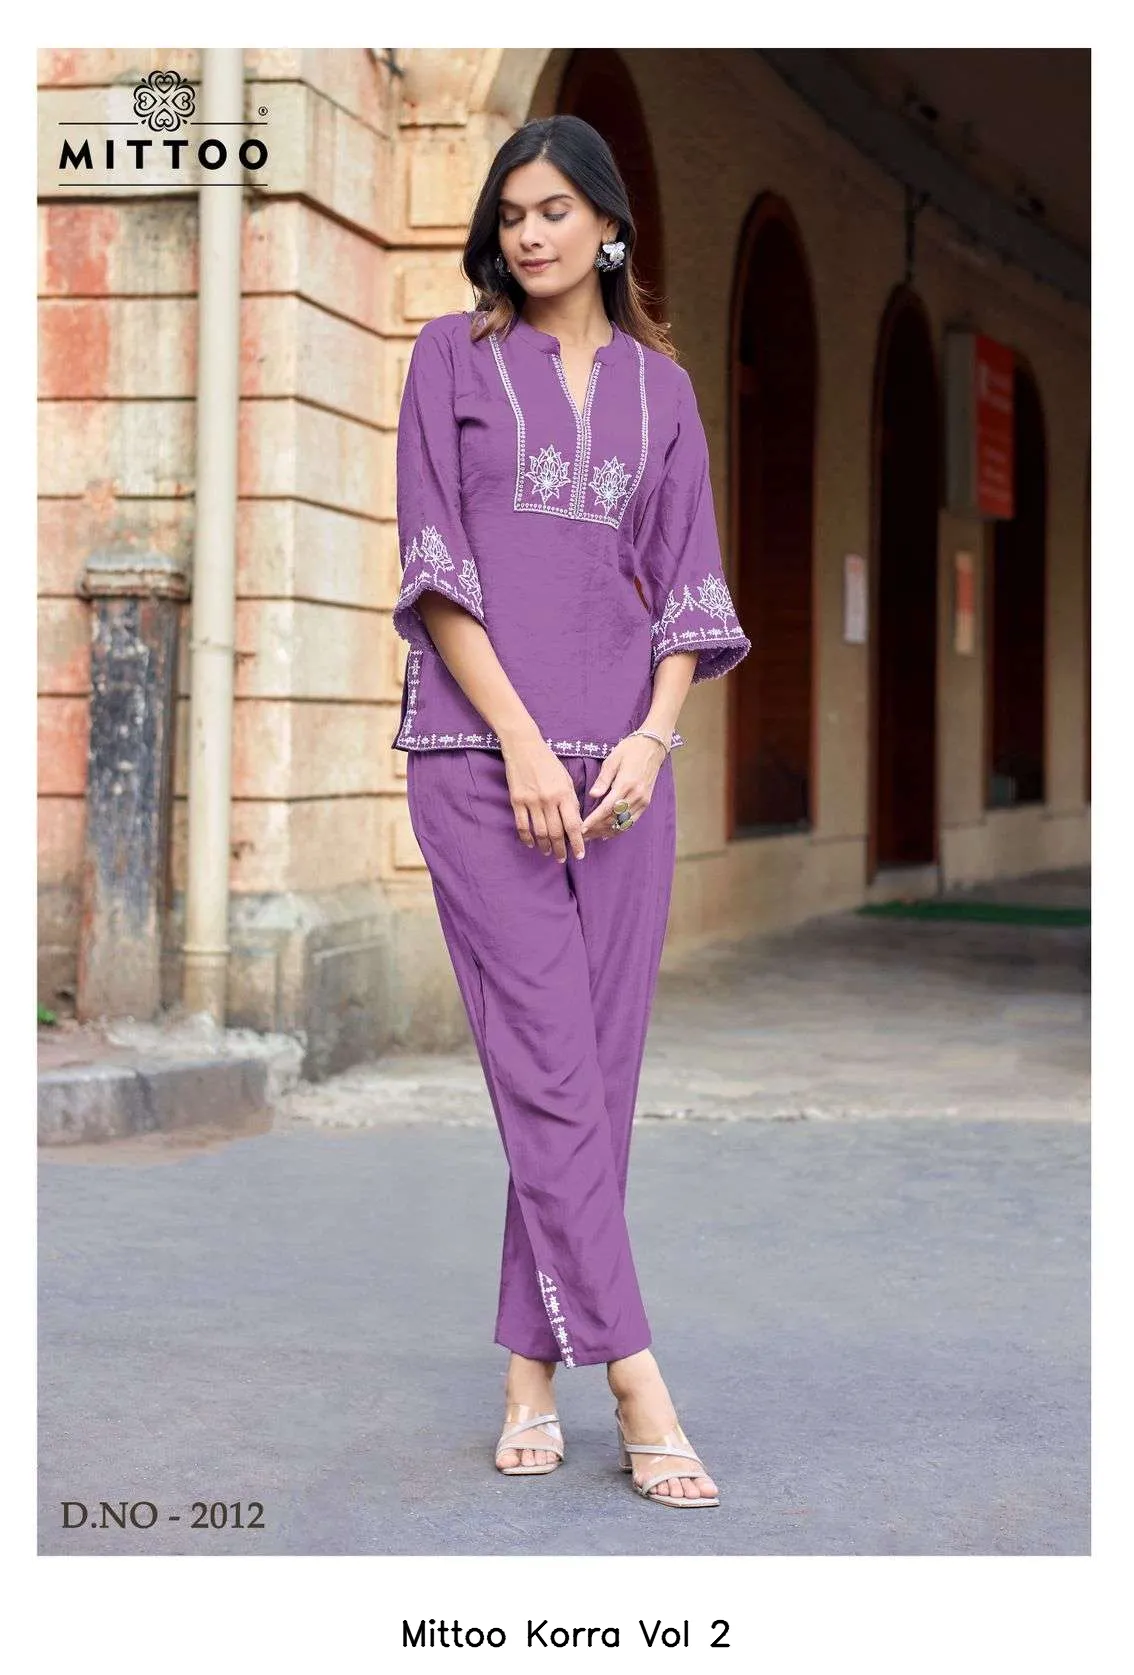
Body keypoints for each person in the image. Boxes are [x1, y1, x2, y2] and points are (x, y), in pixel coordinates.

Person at [392, 114, 751, 1508]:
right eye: (511, 213)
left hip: (625, 779)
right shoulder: (452, 357)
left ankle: (527, 1374)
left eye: (554, 209)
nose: (530, 233)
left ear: (608, 223)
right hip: (480, 760)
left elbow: (687, 585)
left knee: (588, 1089)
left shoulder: (666, 393)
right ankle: (638, 1380)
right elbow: (436, 567)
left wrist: (653, 741)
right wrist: (525, 745)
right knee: (547, 1068)